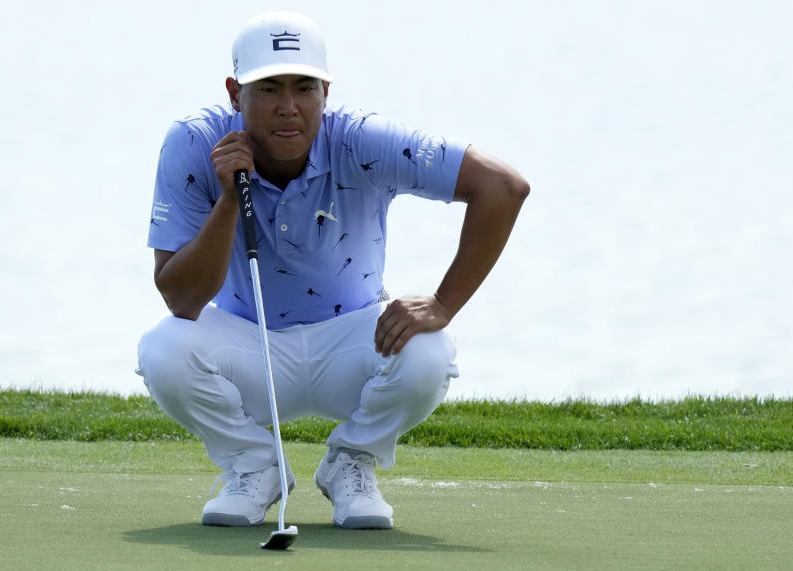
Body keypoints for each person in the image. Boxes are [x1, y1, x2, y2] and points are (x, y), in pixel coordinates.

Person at [136, 11, 529, 530]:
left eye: (303, 88)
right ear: (235, 94)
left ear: (326, 90)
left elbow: (503, 187)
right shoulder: (193, 142)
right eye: (268, 88)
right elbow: (181, 300)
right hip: (247, 345)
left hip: (352, 343)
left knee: (430, 349)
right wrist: (230, 199)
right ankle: (255, 466)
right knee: (163, 349)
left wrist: (442, 303)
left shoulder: (362, 140)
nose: (288, 108)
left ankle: (351, 464)